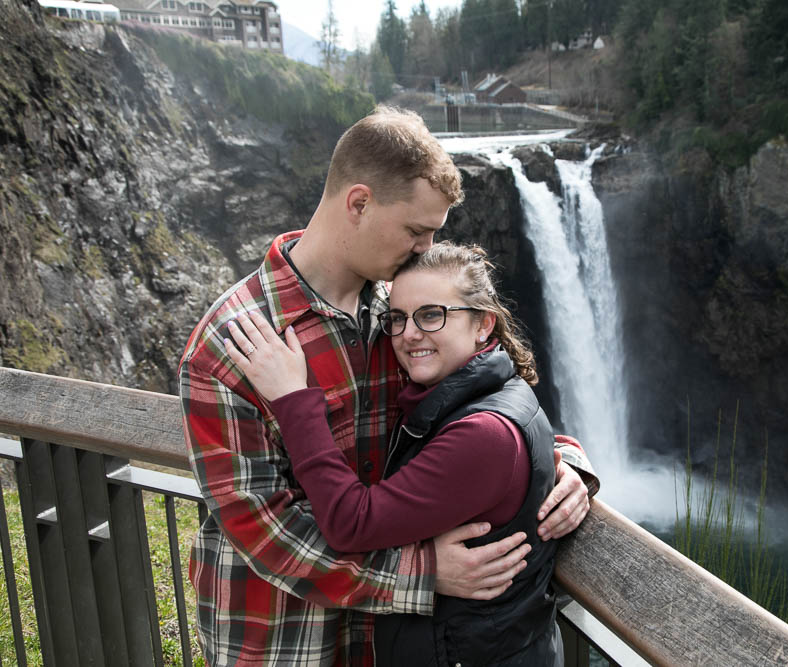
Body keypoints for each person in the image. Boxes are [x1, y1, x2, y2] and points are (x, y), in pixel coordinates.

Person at [178, 105, 596, 666]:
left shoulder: (401, 313)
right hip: (283, 639)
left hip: (390, 641)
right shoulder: (234, 342)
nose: (425, 250)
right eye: (416, 231)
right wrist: (421, 573)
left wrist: (562, 463)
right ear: (358, 203)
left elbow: (471, 411)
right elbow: (263, 528)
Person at [226, 242, 565, 665]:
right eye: (398, 318)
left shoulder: (483, 432)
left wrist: (294, 399)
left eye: (431, 314)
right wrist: (572, 464)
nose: (408, 334)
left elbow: (351, 523)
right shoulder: (476, 393)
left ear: (483, 325)